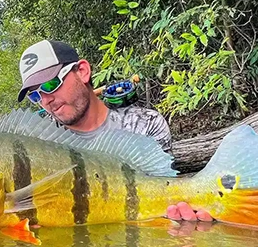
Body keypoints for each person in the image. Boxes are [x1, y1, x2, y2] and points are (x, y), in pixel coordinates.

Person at [16, 39, 212, 224]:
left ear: (83, 71)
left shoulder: (144, 124)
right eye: (35, 95)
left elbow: (162, 192)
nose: (46, 100)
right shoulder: (37, 144)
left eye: (51, 84)